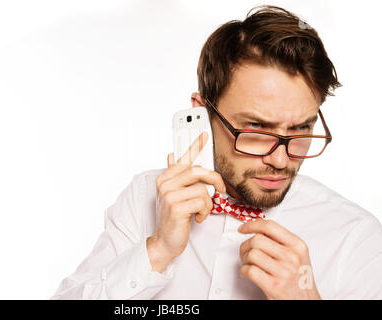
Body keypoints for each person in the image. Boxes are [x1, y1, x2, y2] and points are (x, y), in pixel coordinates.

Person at [52, 5, 382, 300]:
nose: (280, 161)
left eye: (300, 129)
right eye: (256, 130)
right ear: (204, 115)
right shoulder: (143, 201)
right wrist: (157, 251)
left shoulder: (356, 237)